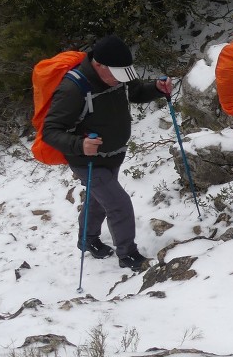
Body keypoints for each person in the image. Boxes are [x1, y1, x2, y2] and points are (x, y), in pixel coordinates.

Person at [42, 35, 172, 272]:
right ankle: (128, 255)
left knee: (99, 200)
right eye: (115, 75)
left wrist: (155, 88)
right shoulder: (73, 89)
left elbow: (135, 92)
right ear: (98, 64)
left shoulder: (117, 76)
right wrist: (80, 145)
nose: (118, 81)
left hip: (113, 155)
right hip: (87, 160)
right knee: (118, 203)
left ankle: (87, 239)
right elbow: (50, 131)